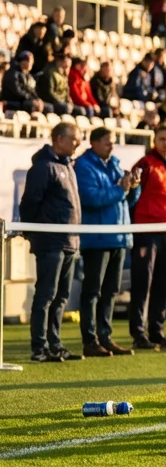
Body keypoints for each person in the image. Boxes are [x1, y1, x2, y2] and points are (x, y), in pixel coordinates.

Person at [19, 122, 83, 363]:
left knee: (62, 297)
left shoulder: (67, 166)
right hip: (51, 243)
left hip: (69, 242)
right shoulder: (44, 167)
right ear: (58, 139)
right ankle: (39, 348)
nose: (78, 143)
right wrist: (32, 232)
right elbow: (29, 203)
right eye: (74, 138)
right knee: (46, 295)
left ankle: (55, 344)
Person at [74, 127, 139, 358]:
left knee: (110, 291)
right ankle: (90, 339)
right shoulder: (84, 166)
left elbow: (127, 201)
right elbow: (91, 199)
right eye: (107, 142)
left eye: (112, 143)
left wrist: (134, 186)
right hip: (97, 238)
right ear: (93, 143)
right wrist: (121, 189)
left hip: (118, 237)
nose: (111, 146)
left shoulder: (114, 164)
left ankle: (105, 336)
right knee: (92, 291)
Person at [128, 125, 166, 352]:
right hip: (146, 230)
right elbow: (132, 195)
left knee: (163, 284)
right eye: (162, 139)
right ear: (154, 140)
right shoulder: (145, 164)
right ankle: (138, 333)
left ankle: (157, 332)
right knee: (143, 283)